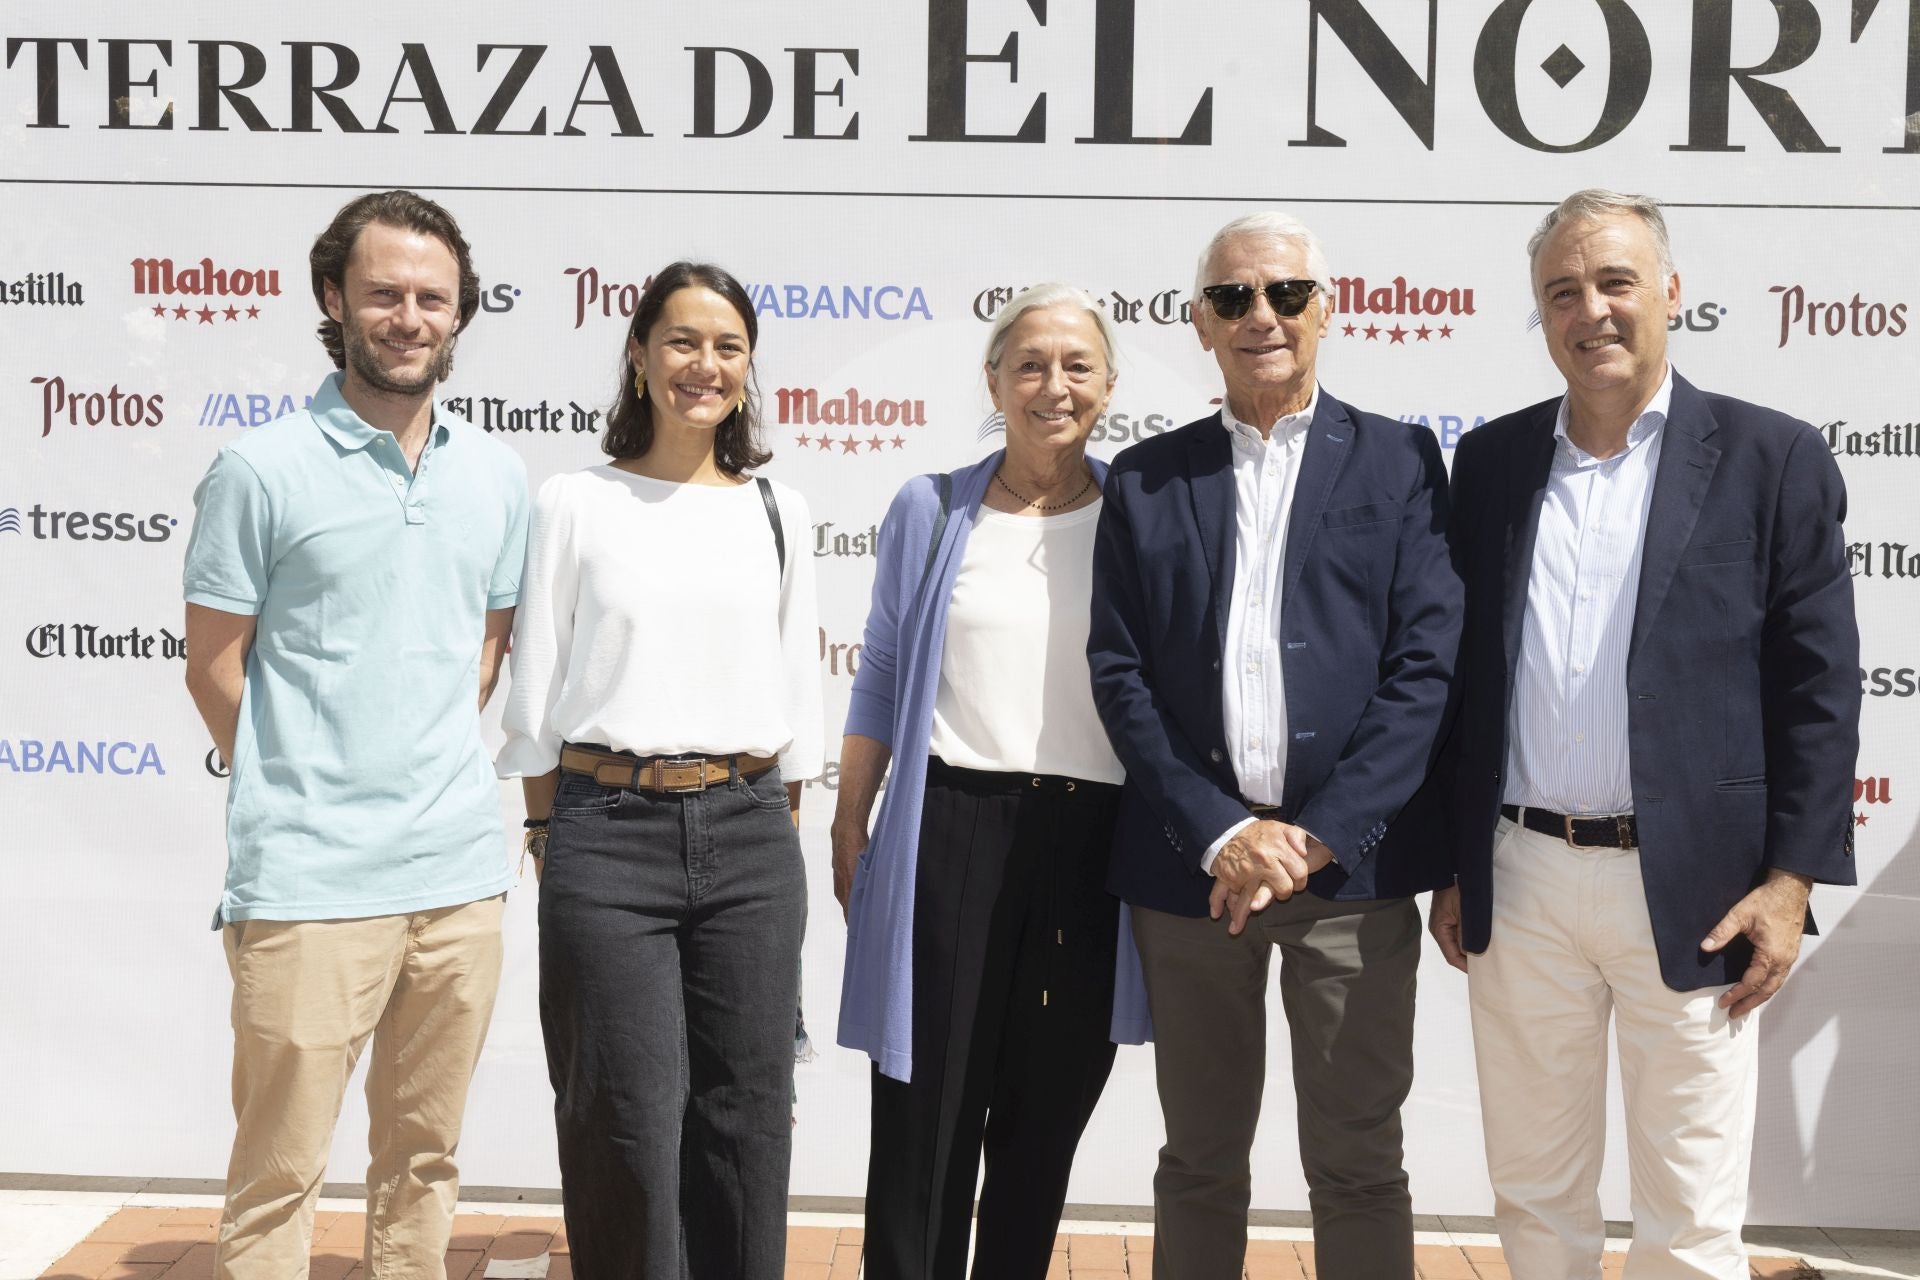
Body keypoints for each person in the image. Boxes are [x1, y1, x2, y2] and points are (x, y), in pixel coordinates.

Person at [1428, 188, 1860, 1279]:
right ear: (1540, 313)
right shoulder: (1489, 466)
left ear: (1670, 293)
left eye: (1616, 282)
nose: (1593, 311)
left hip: (1699, 892)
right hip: (1519, 880)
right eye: (1563, 291)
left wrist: (1792, 877)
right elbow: (1459, 683)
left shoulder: (1771, 457)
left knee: (1692, 1213)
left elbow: (1820, 686)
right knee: (1535, 1193)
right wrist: (1451, 862)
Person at [1086, 212, 1461, 1280]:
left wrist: (1315, 836)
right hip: (1193, 878)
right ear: (1200, 323)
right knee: (1199, 1158)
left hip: (1352, 877)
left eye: (1287, 293)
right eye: (1235, 298)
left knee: (1357, 1160)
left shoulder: (1398, 460)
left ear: (1327, 309)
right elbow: (1119, 672)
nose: (1263, 316)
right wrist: (1222, 834)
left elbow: (1424, 669)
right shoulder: (1150, 478)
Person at [181, 190, 528, 1279]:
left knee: (424, 1158)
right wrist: (303, 777)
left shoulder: (496, 473)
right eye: (384, 292)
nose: (409, 315)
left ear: (460, 310)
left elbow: (485, 649)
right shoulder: (260, 469)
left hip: (458, 877)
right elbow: (213, 663)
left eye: (433, 296)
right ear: (335, 298)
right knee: (278, 1172)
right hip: (308, 880)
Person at [497, 261, 823, 1280]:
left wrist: (774, 835)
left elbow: (795, 698)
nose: (705, 364)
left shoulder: (778, 509)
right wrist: (551, 835)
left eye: (728, 347)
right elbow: (538, 691)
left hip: (752, 834)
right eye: (683, 341)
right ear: (638, 355)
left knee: (748, 1116)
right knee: (623, 1116)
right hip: (606, 830)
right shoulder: (573, 502)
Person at [834, 284, 1135, 1280]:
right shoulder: (931, 508)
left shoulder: (1143, 516)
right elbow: (881, 668)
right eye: (1032, 364)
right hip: (954, 827)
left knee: (1045, 1119)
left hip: (1093, 845)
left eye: (1077, 365)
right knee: (927, 1114)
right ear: (995, 381)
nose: (1055, 385)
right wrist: (850, 815)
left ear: (1109, 384)